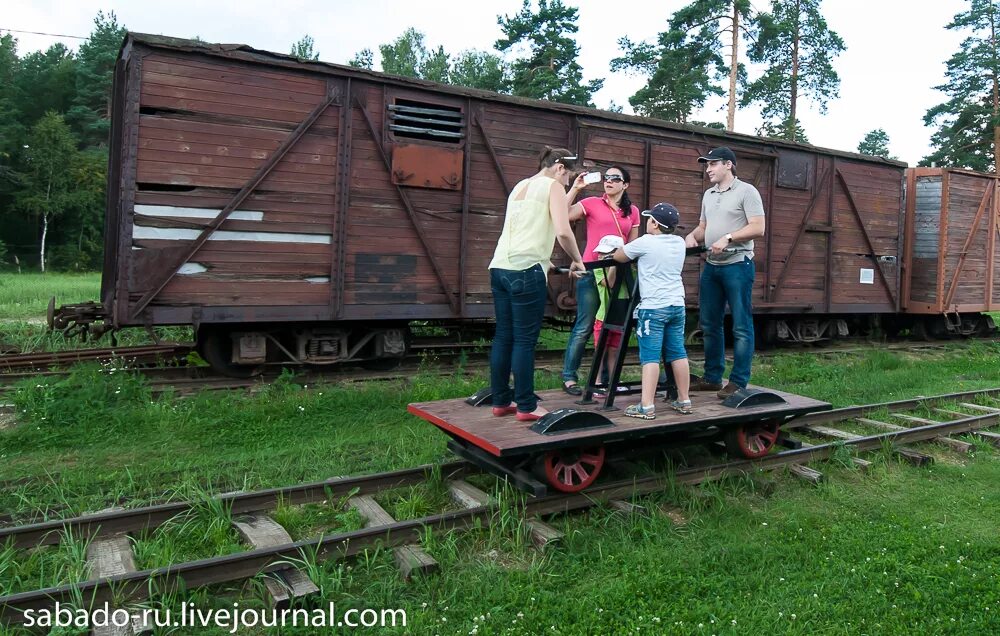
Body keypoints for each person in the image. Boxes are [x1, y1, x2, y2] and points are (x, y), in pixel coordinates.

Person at [488, 147, 586, 422]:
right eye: (568, 176)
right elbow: (563, 229)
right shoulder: (552, 186)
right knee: (524, 341)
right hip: (525, 272)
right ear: (559, 168)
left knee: (503, 337)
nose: (566, 182)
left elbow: (526, 230)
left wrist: (548, 263)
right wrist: (577, 260)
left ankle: (500, 400)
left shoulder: (521, 185)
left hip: (500, 268)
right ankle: (527, 406)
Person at [683, 147, 766, 398]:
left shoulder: (747, 191)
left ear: (728, 165)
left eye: (712, 164)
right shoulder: (708, 194)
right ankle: (712, 378)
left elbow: (758, 227)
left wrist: (728, 237)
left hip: (738, 265)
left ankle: (738, 382)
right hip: (712, 267)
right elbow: (703, 227)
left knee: (741, 326)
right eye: (706, 165)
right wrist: (690, 236)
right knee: (709, 324)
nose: (708, 169)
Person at [560, 166, 640, 396]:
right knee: (585, 325)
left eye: (616, 178)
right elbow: (562, 215)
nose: (609, 181)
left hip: (616, 274)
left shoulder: (632, 211)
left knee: (613, 325)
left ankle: (606, 380)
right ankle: (569, 377)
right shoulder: (592, 203)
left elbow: (631, 246)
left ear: (625, 185)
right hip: (591, 271)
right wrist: (575, 188)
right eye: (607, 177)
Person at [611, 203, 692, 418]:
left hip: (653, 307)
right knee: (678, 353)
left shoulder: (645, 242)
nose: (647, 221)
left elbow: (619, 256)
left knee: (650, 358)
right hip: (677, 304)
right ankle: (684, 400)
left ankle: (646, 405)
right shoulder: (679, 242)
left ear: (655, 224)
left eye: (650, 219)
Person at [590, 234, 627, 392]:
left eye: (606, 254)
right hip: (603, 316)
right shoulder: (599, 268)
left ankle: (613, 383)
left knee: (613, 351)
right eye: (601, 253)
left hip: (619, 316)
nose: (600, 256)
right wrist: (613, 264)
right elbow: (610, 283)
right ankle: (597, 383)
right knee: (600, 352)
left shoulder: (626, 269)